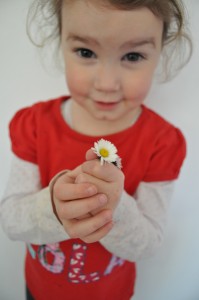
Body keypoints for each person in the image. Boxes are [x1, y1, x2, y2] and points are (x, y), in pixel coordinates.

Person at [0, 1, 192, 299]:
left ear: (159, 54)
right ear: (61, 42)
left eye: (132, 55)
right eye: (86, 52)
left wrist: (115, 207)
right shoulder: (35, 125)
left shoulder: (163, 143)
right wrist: (53, 207)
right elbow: (11, 220)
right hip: (39, 291)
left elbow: (150, 242)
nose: (106, 84)